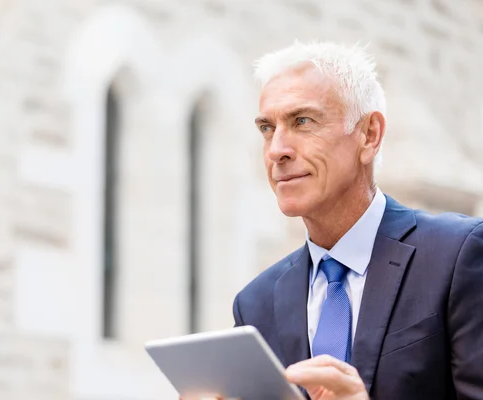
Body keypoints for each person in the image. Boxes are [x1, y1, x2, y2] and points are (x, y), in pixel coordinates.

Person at [187, 41, 483, 399]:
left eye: (302, 121)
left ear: (369, 135)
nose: (277, 149)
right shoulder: (255, 304)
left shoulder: (457, 257)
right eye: (267, 128)